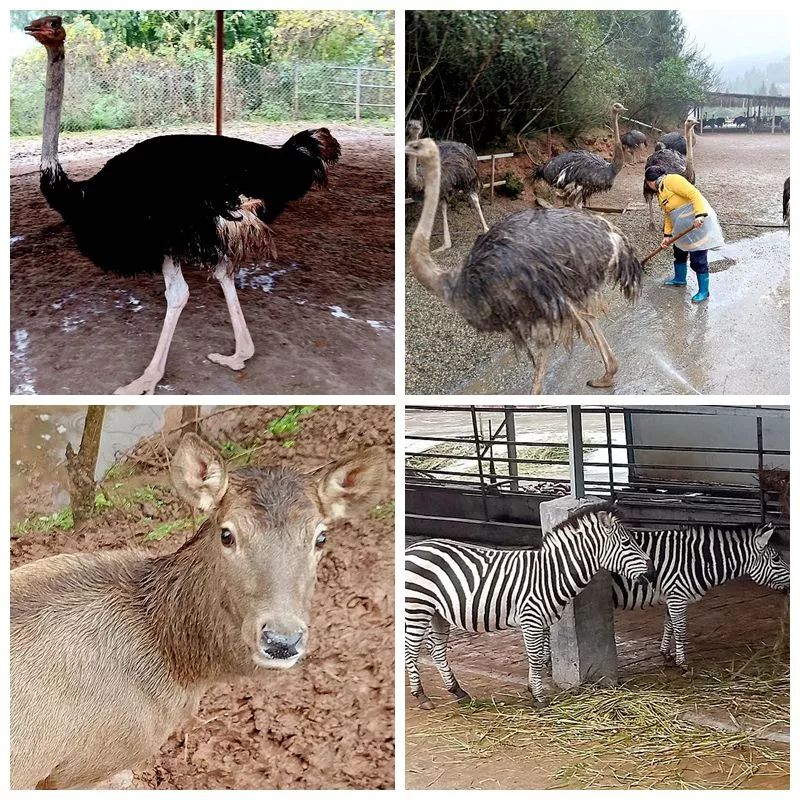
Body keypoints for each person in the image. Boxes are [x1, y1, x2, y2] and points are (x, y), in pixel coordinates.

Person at [644, 165, 724, 303]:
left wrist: (699, 215)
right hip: (682, 230)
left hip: (697, 225)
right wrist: (667, 236)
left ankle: (704, 291)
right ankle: (680, 279)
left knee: (698, 259)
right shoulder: (660, 192)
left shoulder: (673, 180)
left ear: (650, 182)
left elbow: (694, 194)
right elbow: (668, 214)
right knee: (679, 252)